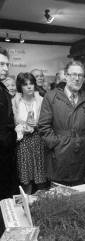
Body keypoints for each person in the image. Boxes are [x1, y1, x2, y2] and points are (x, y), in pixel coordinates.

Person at [38, 60, 85, 186]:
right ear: (66, 76)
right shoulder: (51, 97)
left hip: (81, 158)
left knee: (78, 199)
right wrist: (56, 145)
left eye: (80, 75)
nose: (77, 79)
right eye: (73, 74)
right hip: (59, 157)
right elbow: (43, 127)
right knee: (58, 197)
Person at [12, 72, 47, 194]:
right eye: (25, 84)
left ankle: (43, 207)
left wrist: (37, 125)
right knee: (25, 178)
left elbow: (48, 121)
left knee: (41, 177)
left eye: (31, 83)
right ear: (20, 86)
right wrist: (20, 127)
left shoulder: (42, 101)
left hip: (39, 141)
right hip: (23, 143)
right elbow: (11, 123)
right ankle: (27, 207)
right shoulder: (15, 102)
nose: (29, 87)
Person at [0, 47, 18, 201]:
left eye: (7, 65)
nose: (5, 69)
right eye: (1, 64)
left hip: (6, 156)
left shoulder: (3, 89)